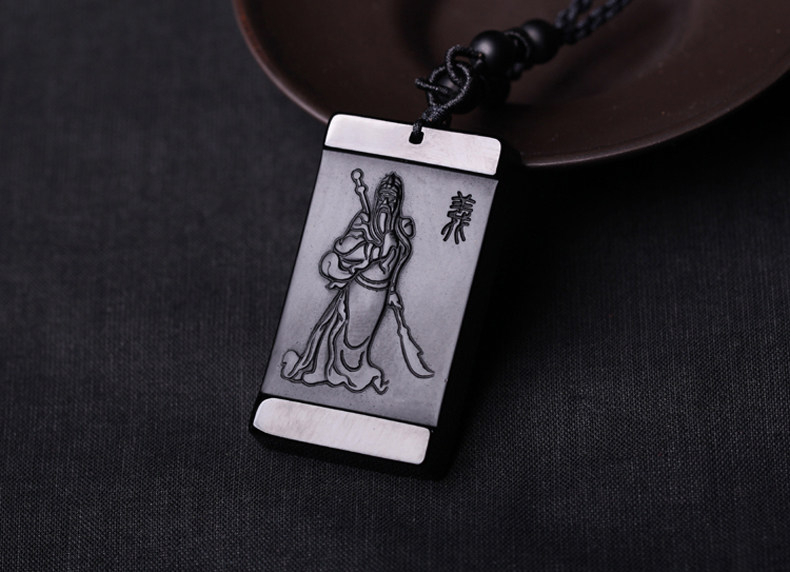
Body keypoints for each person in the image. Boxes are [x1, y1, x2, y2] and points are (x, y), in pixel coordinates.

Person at [281, 169, 432, 394]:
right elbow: (343, 246)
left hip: (380, 293)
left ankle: (356, 372)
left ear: (398, 202)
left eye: (392, 198)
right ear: (377, 197)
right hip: (360, 288)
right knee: (345, 333)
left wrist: (392, 289)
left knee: (362, 340)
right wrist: (373, 250)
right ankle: (331, 369)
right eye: (384, 196)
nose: (386, 202)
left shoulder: (402, 226)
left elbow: (397, 262)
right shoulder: (364, 220)